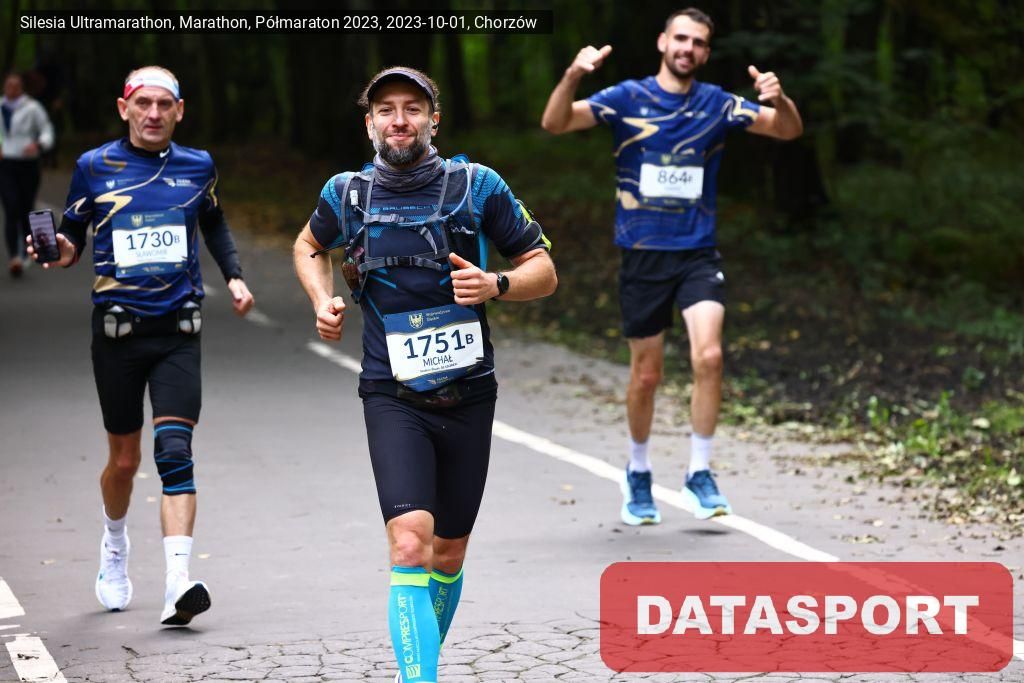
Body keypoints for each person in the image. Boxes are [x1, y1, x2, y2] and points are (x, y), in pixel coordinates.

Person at [293, 66, 556, 683]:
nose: (399, 120)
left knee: (449, 552)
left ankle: (420, 660)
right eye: (386, 109)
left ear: (434, 120)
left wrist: (497, 284)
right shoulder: (346, 194)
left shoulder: (478, 186)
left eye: (413, 108)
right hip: (393, 393)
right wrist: (322, 299)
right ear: (369, 124)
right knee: (410, 542)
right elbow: (309, 246)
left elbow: (543, 268)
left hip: (469, 392)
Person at [541, 7, 803, 525]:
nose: (688, 48)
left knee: (710, 356)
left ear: (706, 52)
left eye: (699, 42)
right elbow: (555, 122)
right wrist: (573, 75)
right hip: (643, 254)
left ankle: (699, 471)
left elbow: (787, 130)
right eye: (681, 38)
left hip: (697, 253)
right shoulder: (626, 98)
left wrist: (782, 100)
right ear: (663, 42)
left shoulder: (717, 103)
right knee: (647, 375)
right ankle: (638, 471)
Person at [26, 65, 255, 625]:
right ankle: (114, 542)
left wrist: (233, 276)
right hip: (118, 336)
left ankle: (178, 582)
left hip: (178, 332)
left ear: (180, 110)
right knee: (125, 461)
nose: (153, 113)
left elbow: (214, 221)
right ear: (123, 108)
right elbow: (72, 238)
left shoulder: (198, 166)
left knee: (174, 450)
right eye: (143, 103)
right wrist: (55, 249)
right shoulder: (94, 166)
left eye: (164, 104)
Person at [1, 72, 54, 276]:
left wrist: (39, 144)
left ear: (21, 87)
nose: (11, 89)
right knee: (10, 207)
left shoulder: (32, 107)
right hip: (5, 163)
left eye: (15, 85)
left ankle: (32, 251)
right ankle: (15, 257)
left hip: (28, 164)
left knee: (26, 208)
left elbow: (47, 129)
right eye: (8, 85)